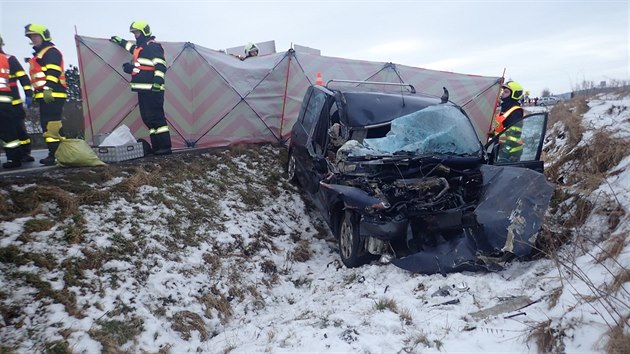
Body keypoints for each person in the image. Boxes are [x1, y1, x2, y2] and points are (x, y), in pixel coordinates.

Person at [110, 21, 172, 155]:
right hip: (143, 89)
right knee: (148, 119)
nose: (135, 35)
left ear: (144, 32)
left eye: (137, 32)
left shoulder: (153, 46)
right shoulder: (141, 48)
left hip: (153, 89)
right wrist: (120, 41)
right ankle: (157, 147)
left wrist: (157, 82)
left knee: (157, 118)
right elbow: (132, 50)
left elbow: (160, 65)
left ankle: (165, 147)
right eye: (134, 33)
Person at [24, 24, 66, 165]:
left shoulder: (50, 52)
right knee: (48, 126)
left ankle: (56, 155)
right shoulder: (40, 54)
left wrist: (48, 88)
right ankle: (55, 154)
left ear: (43, 36)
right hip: (45, 95)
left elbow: (53, 71)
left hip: (53, 94)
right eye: (31, 36)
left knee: (52, 126)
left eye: (35, 36)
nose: (33, 39)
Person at [1, 34, 34, 168]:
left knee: (19, 130)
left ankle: (24, 153)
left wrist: (28, 93)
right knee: (10, 130)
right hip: (6, 101)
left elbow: (23, 78)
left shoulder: (10, 59)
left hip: (12, 102)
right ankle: (17, 155)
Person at [493, 80, 524, 162]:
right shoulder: (505, 109)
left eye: (506, 92)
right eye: (503, 91)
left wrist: (506, 150)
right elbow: (501, 128)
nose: (502, 93)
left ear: (514, 95)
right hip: (502, 148)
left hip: (512, 152)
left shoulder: (515, 111)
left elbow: (515, 134)